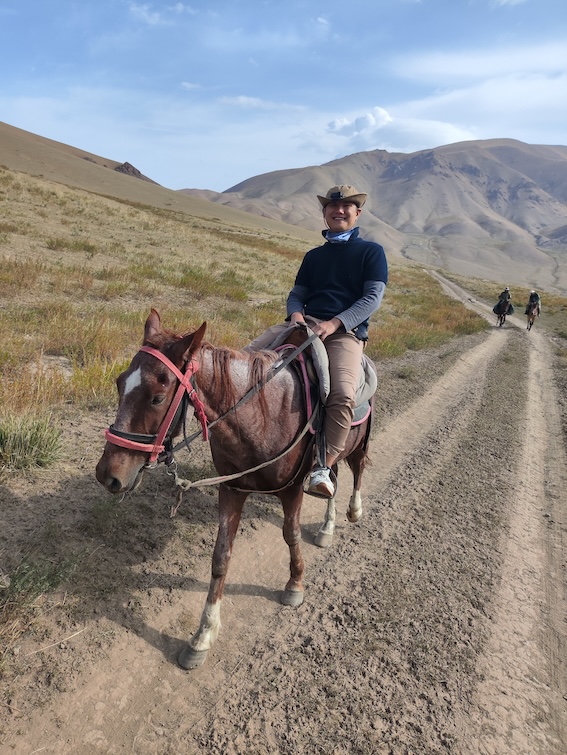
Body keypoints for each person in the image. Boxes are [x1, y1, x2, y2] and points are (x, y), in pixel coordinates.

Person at [245, 184, 388, 498]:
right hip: (304, 324)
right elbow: (298, 293)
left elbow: (372, 298)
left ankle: (323, 465)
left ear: (357, 213)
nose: (339, 211)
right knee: (243, 361)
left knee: (341, 393)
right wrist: (295, 314)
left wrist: (336, 322)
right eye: (332, 207)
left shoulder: (371, 252)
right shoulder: (314, 256)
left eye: (347, 206)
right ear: (324, 213)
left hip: (344, 335)